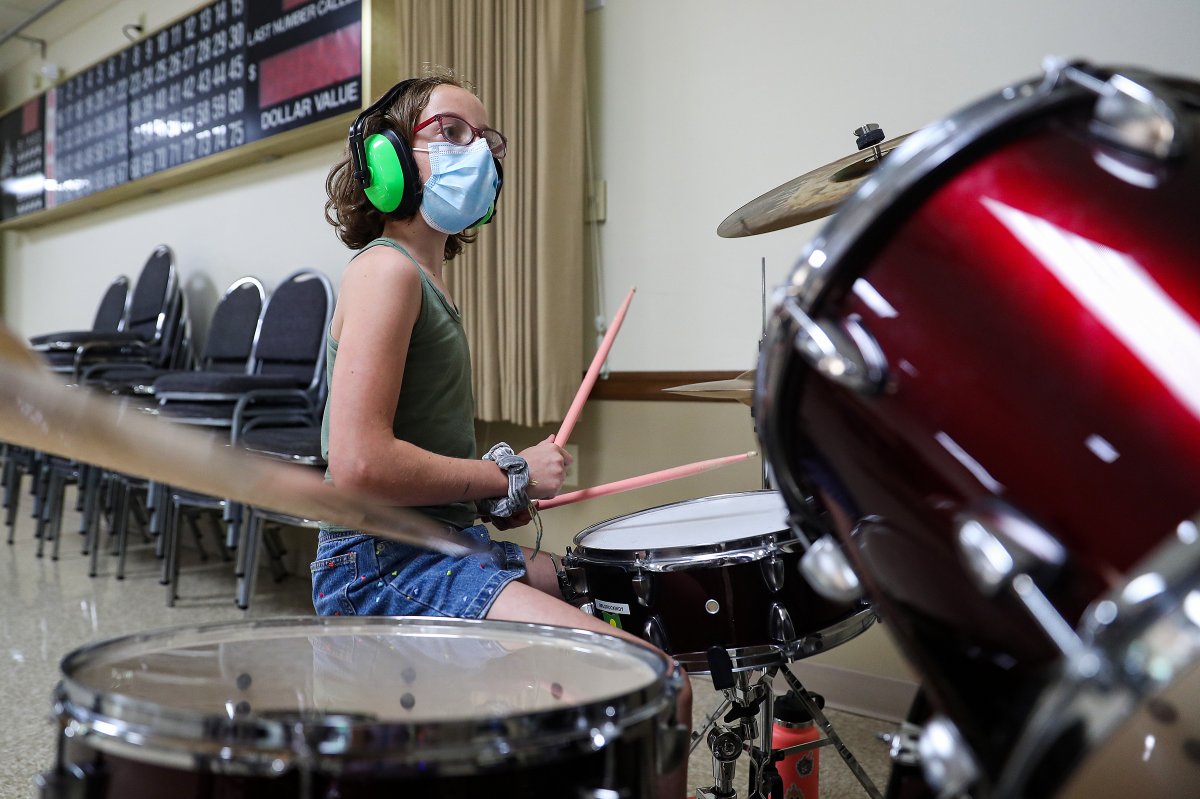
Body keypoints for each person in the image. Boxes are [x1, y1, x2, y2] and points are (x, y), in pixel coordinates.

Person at [314, 73, 692, 795]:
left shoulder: (424, 282)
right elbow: (358, 464)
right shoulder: (386, 273)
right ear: (387, 159)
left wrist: (490, 497)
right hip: (386, 568)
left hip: (438, 544)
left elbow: (413, 458)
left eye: (486, 142)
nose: (477, 153)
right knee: (658, 687)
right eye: (451, 132)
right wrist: (506, 474)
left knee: (611, 588)